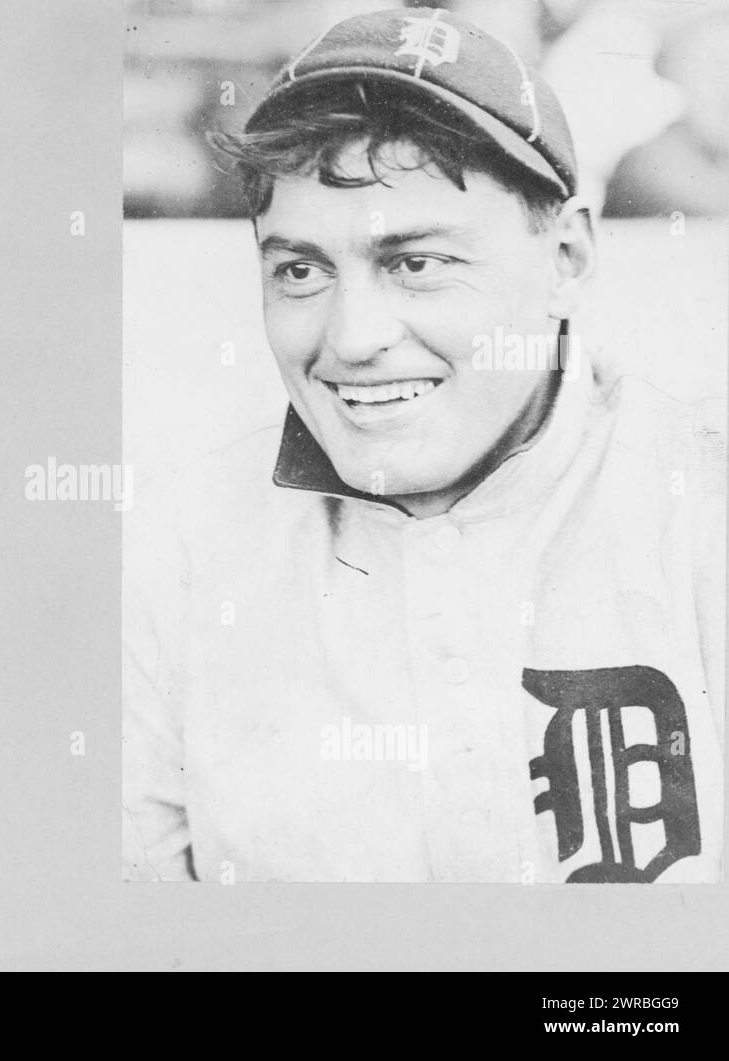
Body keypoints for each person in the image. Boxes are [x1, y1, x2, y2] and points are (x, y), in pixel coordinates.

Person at [122, 7, 724, 883]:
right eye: (300, 270)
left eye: (417, 262)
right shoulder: (176, 551)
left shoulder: (703, 508)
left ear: (567, 259)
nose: (353, 336)